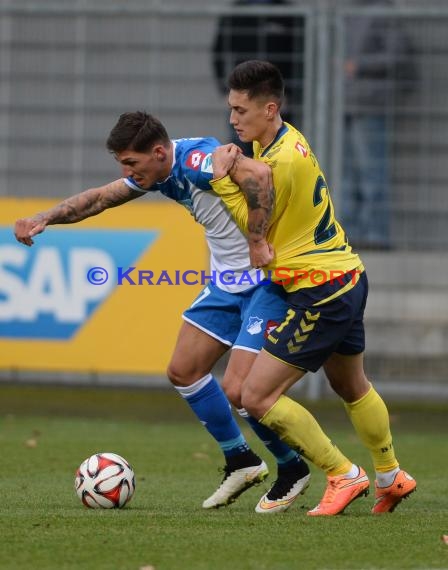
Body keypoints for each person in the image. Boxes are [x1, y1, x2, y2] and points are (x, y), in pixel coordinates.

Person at [13, 111, 311, 514]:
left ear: (157, 152)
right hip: (226, 284)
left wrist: (258, 242)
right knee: (183, 370)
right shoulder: (158, 172)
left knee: (242, 390)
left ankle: (292, 467)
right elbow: (100, 198)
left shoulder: (197, 161)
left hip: (263, 283)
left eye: (131, 163)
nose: (127, 172)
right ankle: (241, 460)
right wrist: (43, 218)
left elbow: (259, 176)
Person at [209, 60, 416, 515]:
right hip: (347, 276)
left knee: (255, 396)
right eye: (231, 109)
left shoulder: (277, 163)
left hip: (319, 290)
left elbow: (253, 225)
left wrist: (222, 183)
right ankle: (390, 474)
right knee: (352, 385)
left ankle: (343, 473)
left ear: (269, 108)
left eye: (241, 110)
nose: (233, 119)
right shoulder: (285, 139)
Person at [340, 0, 417, 249]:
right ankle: (349, 233)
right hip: (345, 105)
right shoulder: (348, 13)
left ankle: (375, 234)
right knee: (348, 176)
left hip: (370, 105)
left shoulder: (384, 13)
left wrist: (360, 65)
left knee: (372, 173)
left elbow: (398, 55)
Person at [212, 0, 305, 156]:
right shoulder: (236, 13)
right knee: (241, 154)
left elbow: (300, 57)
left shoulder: (288, 13)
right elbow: (219, 54)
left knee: (278, 153)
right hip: (243, 96)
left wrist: (291, 95)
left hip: (277, 100)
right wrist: (224, 92)